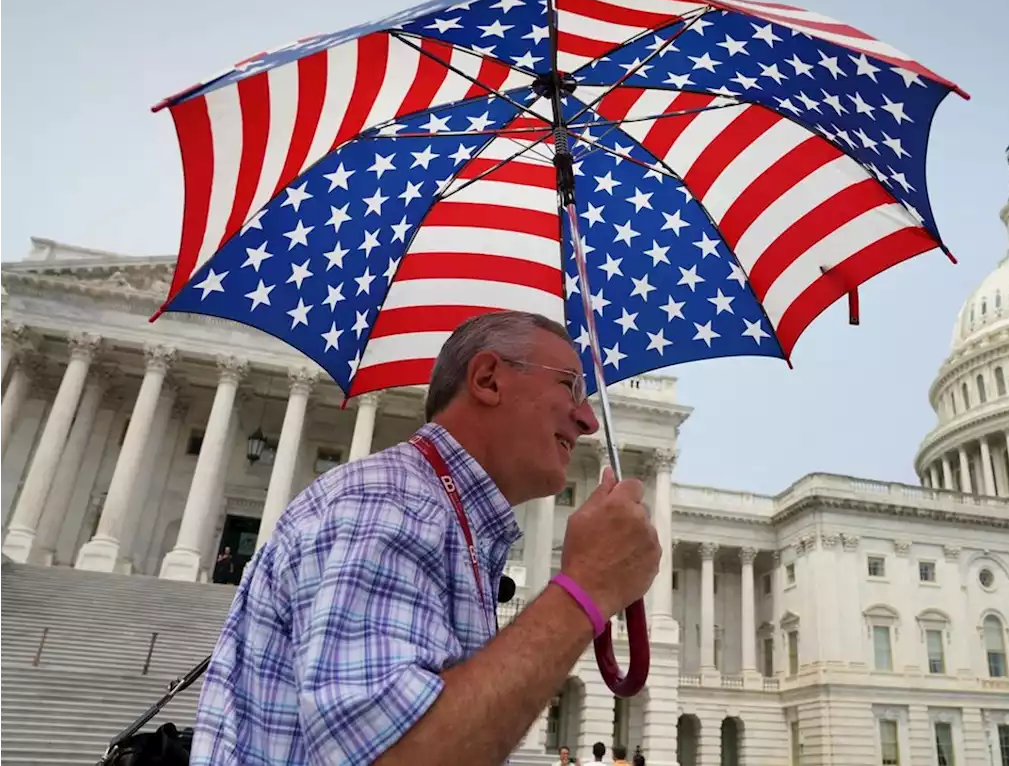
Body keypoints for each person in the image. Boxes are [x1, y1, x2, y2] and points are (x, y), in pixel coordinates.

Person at [187, 311, 661, 766]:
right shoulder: (390, 502)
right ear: (488, 379)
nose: (588, 420)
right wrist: (585, 588)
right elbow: (395, 755)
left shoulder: (438, 514)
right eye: (570, 386)